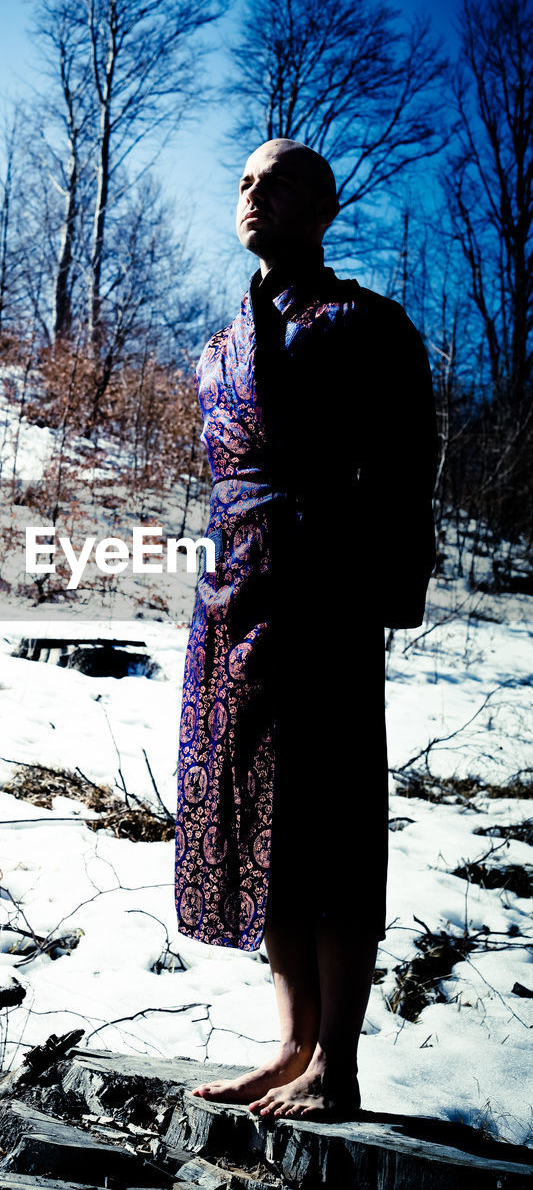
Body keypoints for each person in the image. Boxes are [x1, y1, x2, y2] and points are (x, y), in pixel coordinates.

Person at [174, 138, 438, 1119]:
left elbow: (408, 461)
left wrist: (387, 583)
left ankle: (338, 1058)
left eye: (274, 179)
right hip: (230, 591)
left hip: (321, 587)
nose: (251, 191)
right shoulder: (217, 340)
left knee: (327, 815)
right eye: (241, 178)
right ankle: (289, 1042)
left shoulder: (365, 322)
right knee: (257, 810)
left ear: (322, 207)